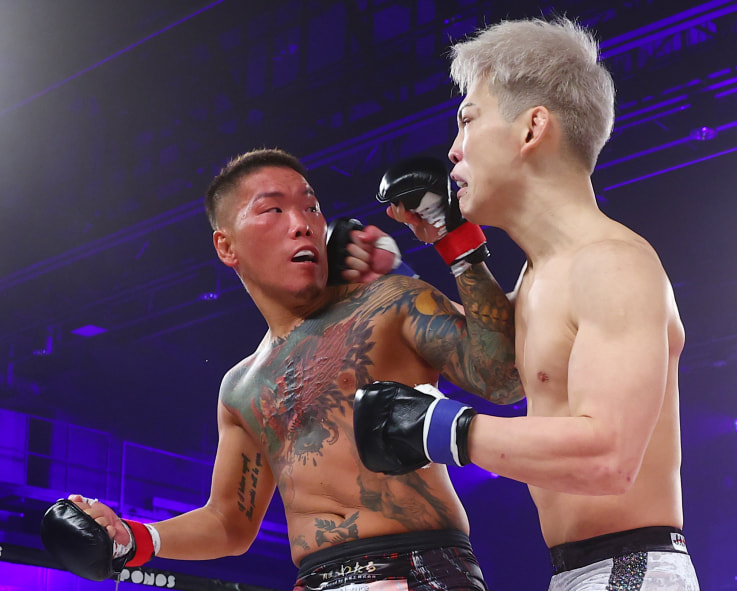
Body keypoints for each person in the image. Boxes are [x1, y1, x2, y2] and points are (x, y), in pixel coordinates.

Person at [50, 147, 523, 591]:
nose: (301, 224)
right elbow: (229, 523)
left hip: (416, 566)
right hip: (312, 578)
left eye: (311, 207)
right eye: (273, 210)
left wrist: (454, 236)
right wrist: (133, 539)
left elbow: (502, 379)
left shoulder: (390, 303)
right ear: (226, 246)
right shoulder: (242, 387)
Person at [353, 17, 701, 591]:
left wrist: (440, 427)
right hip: (583, 570)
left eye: (468, 120)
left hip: (631, 569)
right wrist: (437, 256)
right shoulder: (544, 276)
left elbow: (608, 457)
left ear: (532, 128)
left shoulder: (613, 264)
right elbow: (497, 373)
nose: (453, 150)